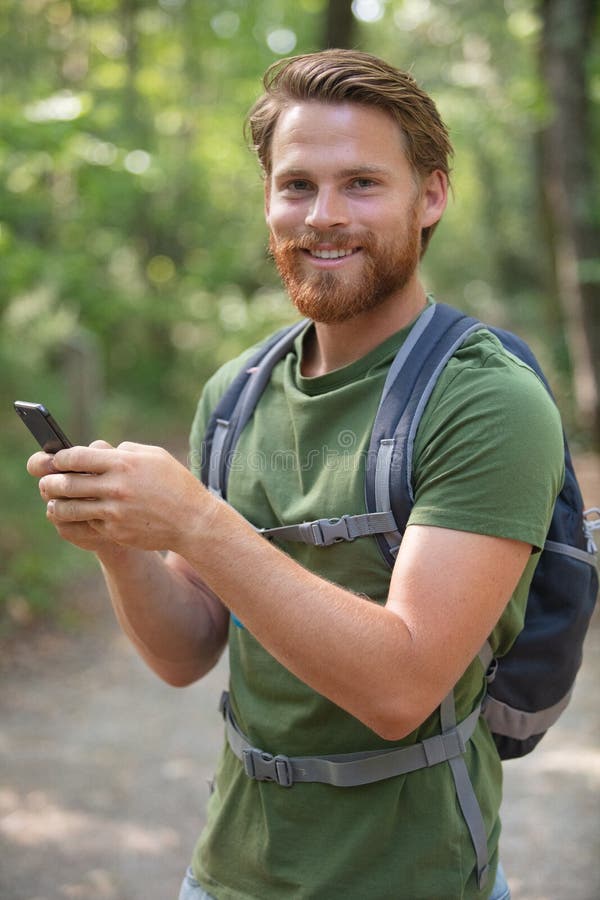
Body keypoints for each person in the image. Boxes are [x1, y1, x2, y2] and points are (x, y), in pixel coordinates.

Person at [27, 50, 564, 899]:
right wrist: (119, 539)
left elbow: (401, 689)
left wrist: (198, 521)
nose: (323, 216)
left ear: (430, 195)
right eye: (296, 185)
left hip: (415, 882)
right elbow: (186, 649)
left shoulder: (488, 401)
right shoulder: (236, 393)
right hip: (225, 873)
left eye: (361, 184)